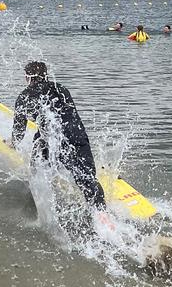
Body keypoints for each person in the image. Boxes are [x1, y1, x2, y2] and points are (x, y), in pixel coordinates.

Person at [11, 61, 105, 208]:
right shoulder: (61, 89)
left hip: (53, 139)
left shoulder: (24, 97)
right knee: (87, 180)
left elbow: (19, 129)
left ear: (27, 78)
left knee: (38, 156)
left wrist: (13, 143)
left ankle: (36, 197)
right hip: (77, 135)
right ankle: (102, 215)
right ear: (46, 75)